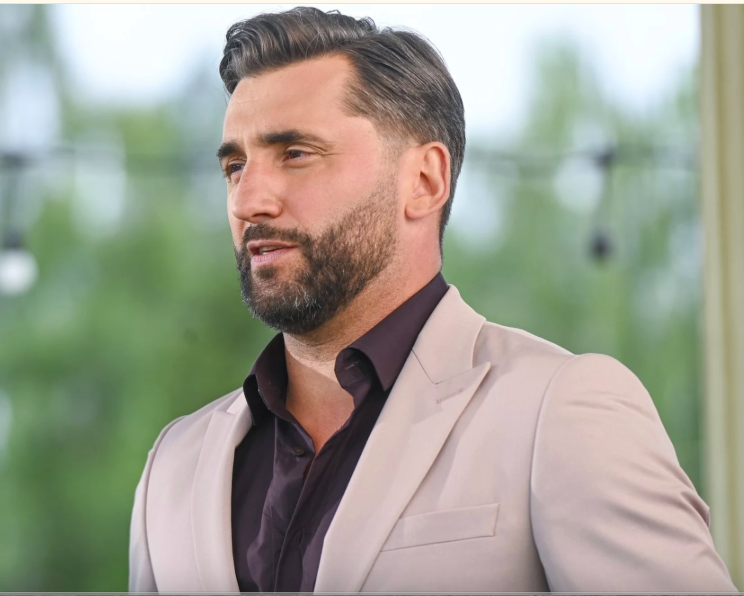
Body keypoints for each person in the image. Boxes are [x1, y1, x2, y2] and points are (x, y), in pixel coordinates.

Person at [128, 7, 737, 593]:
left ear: (424, 181)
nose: (246, 201)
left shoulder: (562, 412)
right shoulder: (173, 465)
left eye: (295, 154)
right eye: (235, 166)